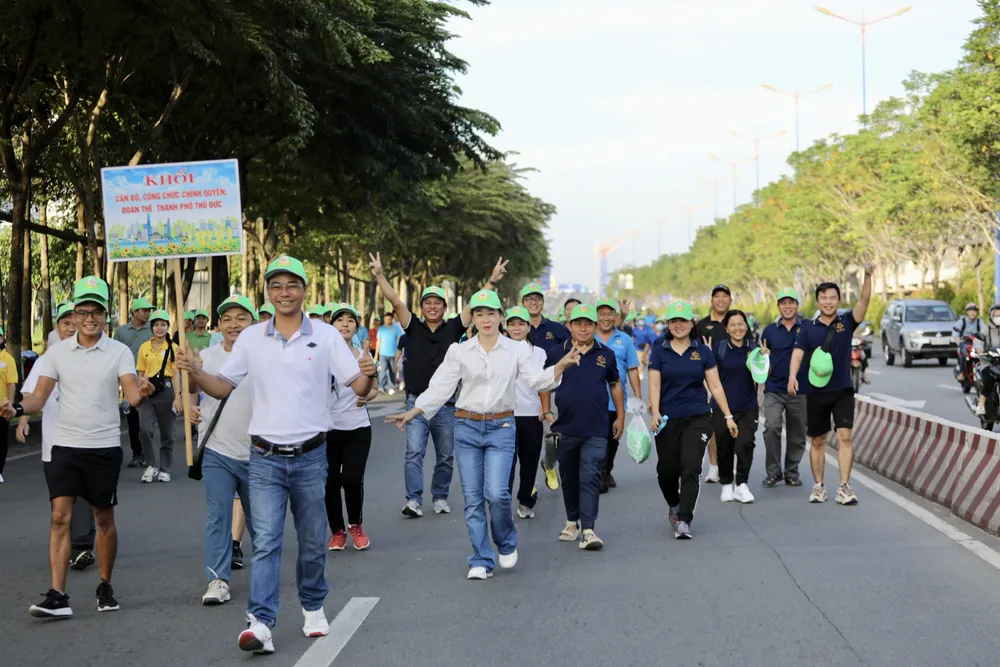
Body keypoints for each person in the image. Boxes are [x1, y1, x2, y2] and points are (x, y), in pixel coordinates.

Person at [175, 256, 375, 655]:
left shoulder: (325, 336)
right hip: (264, 456)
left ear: (304, 290)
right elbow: (221, 388)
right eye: (277, 286)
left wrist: (369, 372)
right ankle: (261, 622)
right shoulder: (251, 339)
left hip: (311, 455)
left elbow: (359, 389)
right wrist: (194, 371)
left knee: (314, 540)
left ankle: (314, 606)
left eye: (292, 285)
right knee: (266, 541)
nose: (284, 293)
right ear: (268, 292)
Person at [388, 290, 575, 578]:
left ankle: (506, 541)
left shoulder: (516, 350)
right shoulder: (459, 350)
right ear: (472, 318)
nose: (486, 319)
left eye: (491, 313)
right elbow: (441, 387)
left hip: (501, 427)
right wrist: (415, 411)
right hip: (465, 427)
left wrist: (560, 365)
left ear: (500, 316)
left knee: (497, 494)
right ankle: (480, 558)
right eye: (479, 314)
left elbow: (537, 380)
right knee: (473, 498)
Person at [1, 276, 154, 617]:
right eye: (83, 311)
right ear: (74, 312)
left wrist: (141, 394)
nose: (89, 318)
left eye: (96, 311)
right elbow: (39, 396)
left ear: (105, 315)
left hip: (102, 447)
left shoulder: (119, 352)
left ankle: (104, 585)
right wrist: (18, 409)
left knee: (103, 519)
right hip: (65, 447)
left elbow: (130, 394)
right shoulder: (57, 353)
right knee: (59, 517)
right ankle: (58, 595)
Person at [370, 252, 508, 518]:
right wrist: (379, 275)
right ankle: (413, 500)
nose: (432, 306)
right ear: (422, 308)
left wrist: (492, 281)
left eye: (437, 303)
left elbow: (474, 305)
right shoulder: (412, 328)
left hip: (447, 406)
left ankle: (440, 496)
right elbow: (395, 300)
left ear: (444, 308)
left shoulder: (454, 327)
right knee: (414, 453)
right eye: (427, 303)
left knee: (445, 456)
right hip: (416, 403)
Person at [187, 294, 259, 605]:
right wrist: (191, 370)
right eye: (227, 319)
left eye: (241, 318)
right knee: (218, 515)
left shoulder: (264, 356)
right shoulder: (206, 355)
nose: (233, 324)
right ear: (218, 325)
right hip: (217, 450)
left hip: (259, 452)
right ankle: (217, 579)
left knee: (262, 521)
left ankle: (266, 574)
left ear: (252, 324)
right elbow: (190, 391)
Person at [648, 301, 739, 539]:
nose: (679, 325)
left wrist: (728, 416)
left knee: (691, 467)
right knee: (666, 472)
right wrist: (655, 412)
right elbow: (655, 384)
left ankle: (684, 520)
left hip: (698, 417)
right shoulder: (659, 350)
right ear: (668, 324)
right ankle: (674, 504)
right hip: (668, 418)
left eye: (683, 321)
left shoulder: (703, 352)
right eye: (674, 321)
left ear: (691, 323)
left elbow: (716, 386)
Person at [788, 261, 875, 506]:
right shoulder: (806, 328)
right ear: (818, 301)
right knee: (818, 440)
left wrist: (867, 276)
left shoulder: (846, 322)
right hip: (815, 392)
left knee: (845, 436)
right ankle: (819, 487)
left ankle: (845, 487)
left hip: (843, 390)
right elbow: (797, 353)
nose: (828, 301)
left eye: (833, 297)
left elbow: (864, 302)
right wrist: (793, 376)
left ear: (838, 300)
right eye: (824, 298)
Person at [18, 302, 97, 568]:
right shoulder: (46, 360)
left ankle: (83, 545)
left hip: (88, 441)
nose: (70, 328)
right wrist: (22, 420)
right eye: (65, 323)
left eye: (74, 322)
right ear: (59, 327)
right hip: (55, 443)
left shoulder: (93, 357)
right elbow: (32, 395)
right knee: (61, 501)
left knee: (84, 494)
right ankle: (64, 544)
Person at [544, 304, 624, 550]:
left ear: (595, 326)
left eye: (588, 324)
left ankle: (589, 529)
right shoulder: (558, 351)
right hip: (565, 428)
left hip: (596, 428)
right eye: (578, 323)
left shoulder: (606, 355)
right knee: (569, 477)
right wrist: (546, 410)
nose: (583, 328)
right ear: (570, 326)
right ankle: (571, 522)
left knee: (590, 477)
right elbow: (545, 382)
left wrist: (620, 416)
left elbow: (615, 385)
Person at [325, 303, 379, 552]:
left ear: (356, 326)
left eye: (350, 320)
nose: (345, 324)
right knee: (330, 481)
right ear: (331, 325)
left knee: (352, 478)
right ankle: (337, 531)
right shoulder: (320, 356)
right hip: (327, 428)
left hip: (357, 426)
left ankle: (356, 525)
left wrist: (365, 396)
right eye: (339, 320)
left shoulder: (363, 357)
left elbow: (375, 390)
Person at [503, 306, 553, 519]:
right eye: (512, 324)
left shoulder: (539, 353)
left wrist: (546, 409)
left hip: (531, 414)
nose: (516, 328)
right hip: (504, 415)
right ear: (506, 326)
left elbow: (543, 384)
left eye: (521, 324)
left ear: (528, 326)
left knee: (529, 461)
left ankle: (525, 502)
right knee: (506, 462)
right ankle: (502, 502)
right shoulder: (498, 350)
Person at [519, 283, 569, 492]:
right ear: (523, 303)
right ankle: (530, 484)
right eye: (529, 299)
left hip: (553, 394)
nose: (533, 302)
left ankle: (549, 465)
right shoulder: (514, 330)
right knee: (526, 446)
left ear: (543, 302)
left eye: (537, 298)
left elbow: (573, 351)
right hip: (523, 397)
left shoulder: (557, 330)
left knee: (555, 439)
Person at [759, 288, 808, 488]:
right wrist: (763, 356)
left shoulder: (807, 327)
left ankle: (791, 472)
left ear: (797, 304)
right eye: (783, 303)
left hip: (800, 389)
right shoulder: (769, 331)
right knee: (771, 426)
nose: (787, 306)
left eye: (791, 302)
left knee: (797, 432)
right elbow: (760, 361)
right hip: (774, 389)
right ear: (778, 306)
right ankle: (773, 472)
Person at [711, 310, 760, 504]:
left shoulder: (754, 348)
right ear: (726, 328)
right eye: (733, 325)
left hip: (748, 406)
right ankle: (726, 484)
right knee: (725, 447)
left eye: (741, 324)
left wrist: (764, 360)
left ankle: (741, 484)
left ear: (746, 326)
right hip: (723, 408)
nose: (738, 328)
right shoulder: (719, 348)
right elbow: (710, 376)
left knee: (745, 444)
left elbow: (762, 375)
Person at [594, 298, 641, 493]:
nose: (606, 318)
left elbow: (632, 369)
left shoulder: (624, 339)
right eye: (602, 314)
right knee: (596, 439)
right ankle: (599, 475)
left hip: (616, 400)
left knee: (612, 439)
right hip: (592, 400)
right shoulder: (588, 336)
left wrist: (637, 397)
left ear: (615, 316)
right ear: (596, 316)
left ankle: (606, 470)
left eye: (609, 314)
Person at [135, 310, 182, 483]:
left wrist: (178, 395)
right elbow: (140, 371)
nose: (159, 328)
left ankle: (165, 468)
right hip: (148, 392)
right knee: (145, 430)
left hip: (167, 390)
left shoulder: (173, 348)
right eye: (156, 324)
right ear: (151, 327)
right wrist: (139, 390)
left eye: (163, 324)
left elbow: (176, 373)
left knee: (167, 433)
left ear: (168, 327)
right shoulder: (144, 347)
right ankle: (151, 464)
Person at [694, 284, 732, 485]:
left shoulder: (736, 322)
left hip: (733, 381)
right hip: (708, 382)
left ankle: (730, 463)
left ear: (730, 300)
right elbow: (693, 352)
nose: (721, 300)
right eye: (717, 296)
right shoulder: (701, 326)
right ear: (712, 300)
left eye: (724, 296)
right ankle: (714, 466)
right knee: (714, 427)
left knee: (732, 422)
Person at [113, 297, 154, 468]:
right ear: (134, 312)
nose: (147, 313)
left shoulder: (152, 330)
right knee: (132, 420)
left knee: (147, 421)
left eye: (148, 310)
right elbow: (113, 354)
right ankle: (137, 454)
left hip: (148, 380)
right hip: (128, 380)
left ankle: (149, 454)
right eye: (144, 310)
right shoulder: (122, 331)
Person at [974, 305, 1000, 415]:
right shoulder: (986, 330)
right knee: (990, 378)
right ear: (991, 316)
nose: (999, 317)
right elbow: (978, 341)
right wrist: (980, 350)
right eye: (997, 315)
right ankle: (981, 404)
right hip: (988, 363)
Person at [955, 303, 984, 382]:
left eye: (974, 310)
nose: (972, 312)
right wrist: (957, 339)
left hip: (976, 343)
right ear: (967, 312)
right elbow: (955, 332)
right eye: (970, 310)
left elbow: (985, 332)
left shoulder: (980, 322)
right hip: (965, 343)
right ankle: (961, 372)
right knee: (964, 353)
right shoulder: (962, 321)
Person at [376, 312, 403, 394]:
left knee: (392, 370)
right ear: (384, 319)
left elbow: (399, 340)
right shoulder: (381, 329)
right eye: (386, 319)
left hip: (393, 353)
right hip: (383, 353)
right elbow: (378, 341)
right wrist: (376, 354)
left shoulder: (396, 328)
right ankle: (381, 386)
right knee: (383, 370)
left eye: (389, 319)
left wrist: (399, 351)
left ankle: (391, 387)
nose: (388, 320)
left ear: (392, 319)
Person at [632, 315, 656, 379]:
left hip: (646, 348)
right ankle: (639, 372)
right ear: (638, 321)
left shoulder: (647, 329)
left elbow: (650, 338)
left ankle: (641, 370)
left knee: (644, 361)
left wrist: (648, 345)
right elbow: (633, 338)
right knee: (639, 360)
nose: (641, 321)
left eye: (642, 320)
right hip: (637, 347)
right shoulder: (635, 329)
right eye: (640, 320)